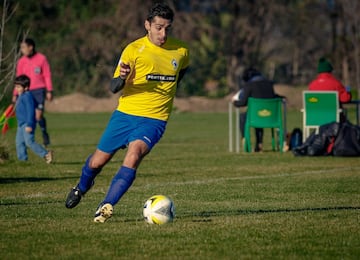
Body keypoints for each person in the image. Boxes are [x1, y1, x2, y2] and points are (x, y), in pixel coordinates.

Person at [65, 3, 189, 223]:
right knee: (97, 163)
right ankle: (81, 187)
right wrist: (123, 77)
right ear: (147, 25)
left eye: (167, 28)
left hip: (154, 120)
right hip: (125, 115)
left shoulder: (181, 51)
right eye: (158, 28)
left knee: (133, 157)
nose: (163, 33)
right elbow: (113, 87)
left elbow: (181, 73)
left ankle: (105, 206)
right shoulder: (133, 50)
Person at [13, 38, 53, 147]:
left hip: (39, 91)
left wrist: (49, 90)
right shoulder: (21, 61)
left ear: (31, 47)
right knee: (29, 115)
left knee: (38, 116)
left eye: (23, 47)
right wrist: (15, 94)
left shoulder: (42, 59)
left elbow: (47, 75)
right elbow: (18, 78)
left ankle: (44, 132)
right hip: (26, 92)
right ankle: (29, 138)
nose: (22, 50)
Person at [233, 68, 281, 152]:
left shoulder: (249, 85)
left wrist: (235, 102)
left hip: (256, 117)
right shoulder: (269, 84)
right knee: (259, 116)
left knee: (244, 117)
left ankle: (245, 139)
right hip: (272, 117)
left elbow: (243, 103)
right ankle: (259, 143)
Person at [14, 75, 53, 163]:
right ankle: (22, 161)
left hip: (27, 124)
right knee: (19, 142)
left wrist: (30, 124)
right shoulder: (21, 95)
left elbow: (31, 111)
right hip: (21, 124)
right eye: (16, 86)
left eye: (18, 87)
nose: (16, 89)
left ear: (26, 87)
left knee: (29, 142)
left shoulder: (27, 96)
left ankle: (46, 154)